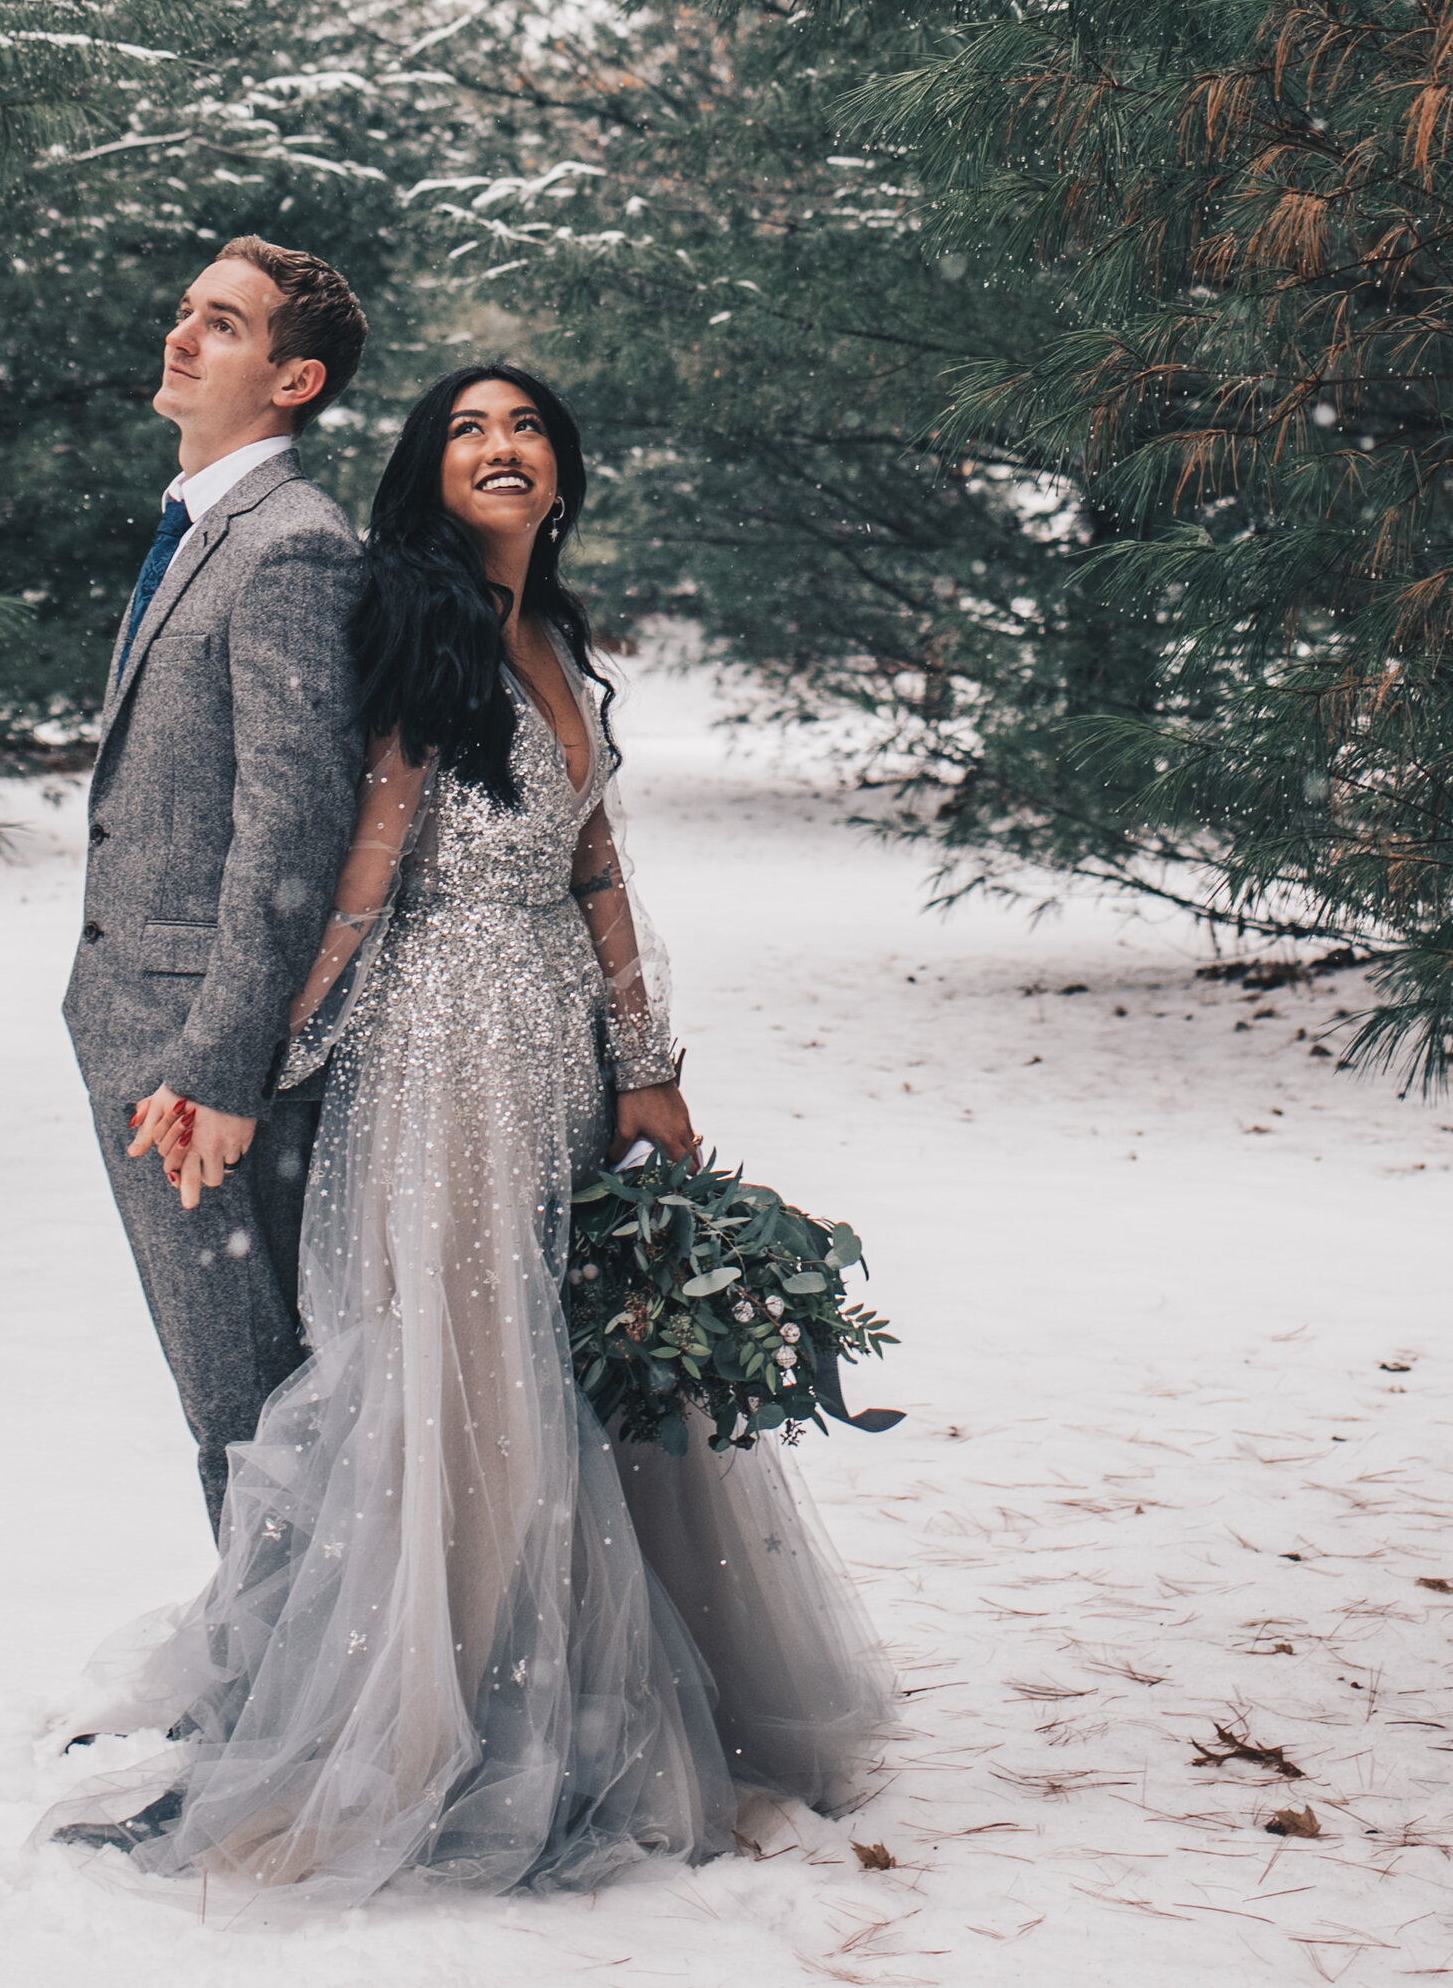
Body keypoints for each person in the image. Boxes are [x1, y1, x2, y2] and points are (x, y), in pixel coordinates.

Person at [50, 363, 894, 1897]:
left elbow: (596, 859)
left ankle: (576, 1701)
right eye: (467, 428)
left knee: (563, 1364)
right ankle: (419, 1731)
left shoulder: (554, 633)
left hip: (551, 1046)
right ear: (429, 472)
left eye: (526, 430)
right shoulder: (419, 624)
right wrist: (236, 1066)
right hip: (434, 1050)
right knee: (453, 1375)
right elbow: (358, 869)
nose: (500, 447)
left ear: (561, 477)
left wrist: (644, 1060)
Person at [61, 236, 369, 1530]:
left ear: (294, 379)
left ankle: (277, 1696)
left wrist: (221, 1070)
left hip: (201, 1059)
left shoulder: (291, 547)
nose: (182, 335)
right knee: (224, 1393)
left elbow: (290, 834)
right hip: (144, 1034)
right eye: (188, 310)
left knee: (249, 1400)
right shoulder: (198, 527)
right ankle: (265, 1664)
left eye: (225, 324)